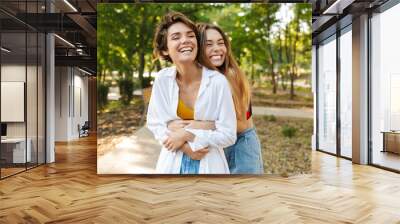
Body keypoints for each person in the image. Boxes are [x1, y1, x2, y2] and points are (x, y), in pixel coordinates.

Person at [147, 12, 237, 174]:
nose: (185, 40)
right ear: (165, 51)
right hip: (171, 162)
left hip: (209, 163)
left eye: (190, 35)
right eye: (176, 37)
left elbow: (229, 135)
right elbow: (155, 123)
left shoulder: (218, 82)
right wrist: (186, 145)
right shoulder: (162, 79)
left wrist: (188, 133)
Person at [170, 23, 264, 174]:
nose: (217, 49)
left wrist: (198, 126)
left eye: (221, 43)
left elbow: (241, 124)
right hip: (216, 148)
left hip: (240, 148)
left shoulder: (230, 75)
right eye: (209, 44)